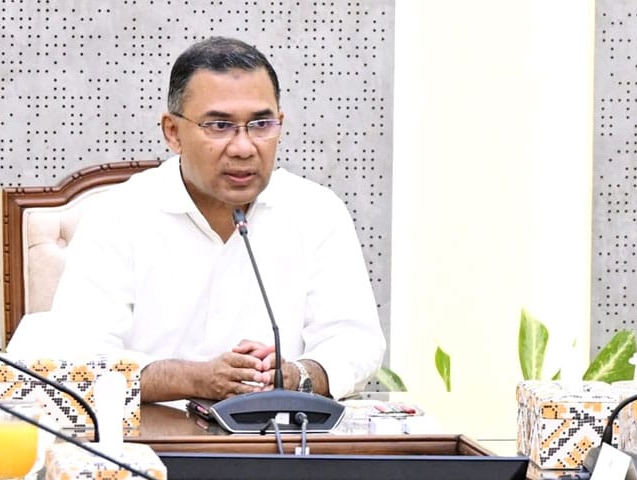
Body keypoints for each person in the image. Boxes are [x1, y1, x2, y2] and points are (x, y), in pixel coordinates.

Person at [37, 36, 385, 402]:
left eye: (261, 124)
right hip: (151, 433)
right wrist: (192, 379)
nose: (243, 147)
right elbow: (78, 360)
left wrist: (297, 375)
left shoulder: (316, 211)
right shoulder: (119, 214)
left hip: (275, 431)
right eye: (219, 125)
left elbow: (355, 343)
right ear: (173, 132)